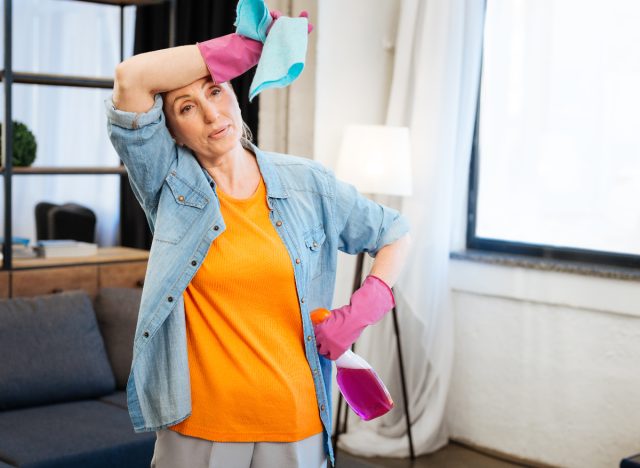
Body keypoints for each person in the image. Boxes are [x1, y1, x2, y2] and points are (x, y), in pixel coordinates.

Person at [105, 14, 411, 468]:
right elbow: (130, 78)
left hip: (295, 424)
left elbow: (394, 233)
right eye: (186, 108)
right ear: (171, 131)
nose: (210, 115)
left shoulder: (307, 183)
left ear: (233, 94)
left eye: (215, 91)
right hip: (197, 429)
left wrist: (363, 309)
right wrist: (248, 48)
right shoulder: (169, 184)